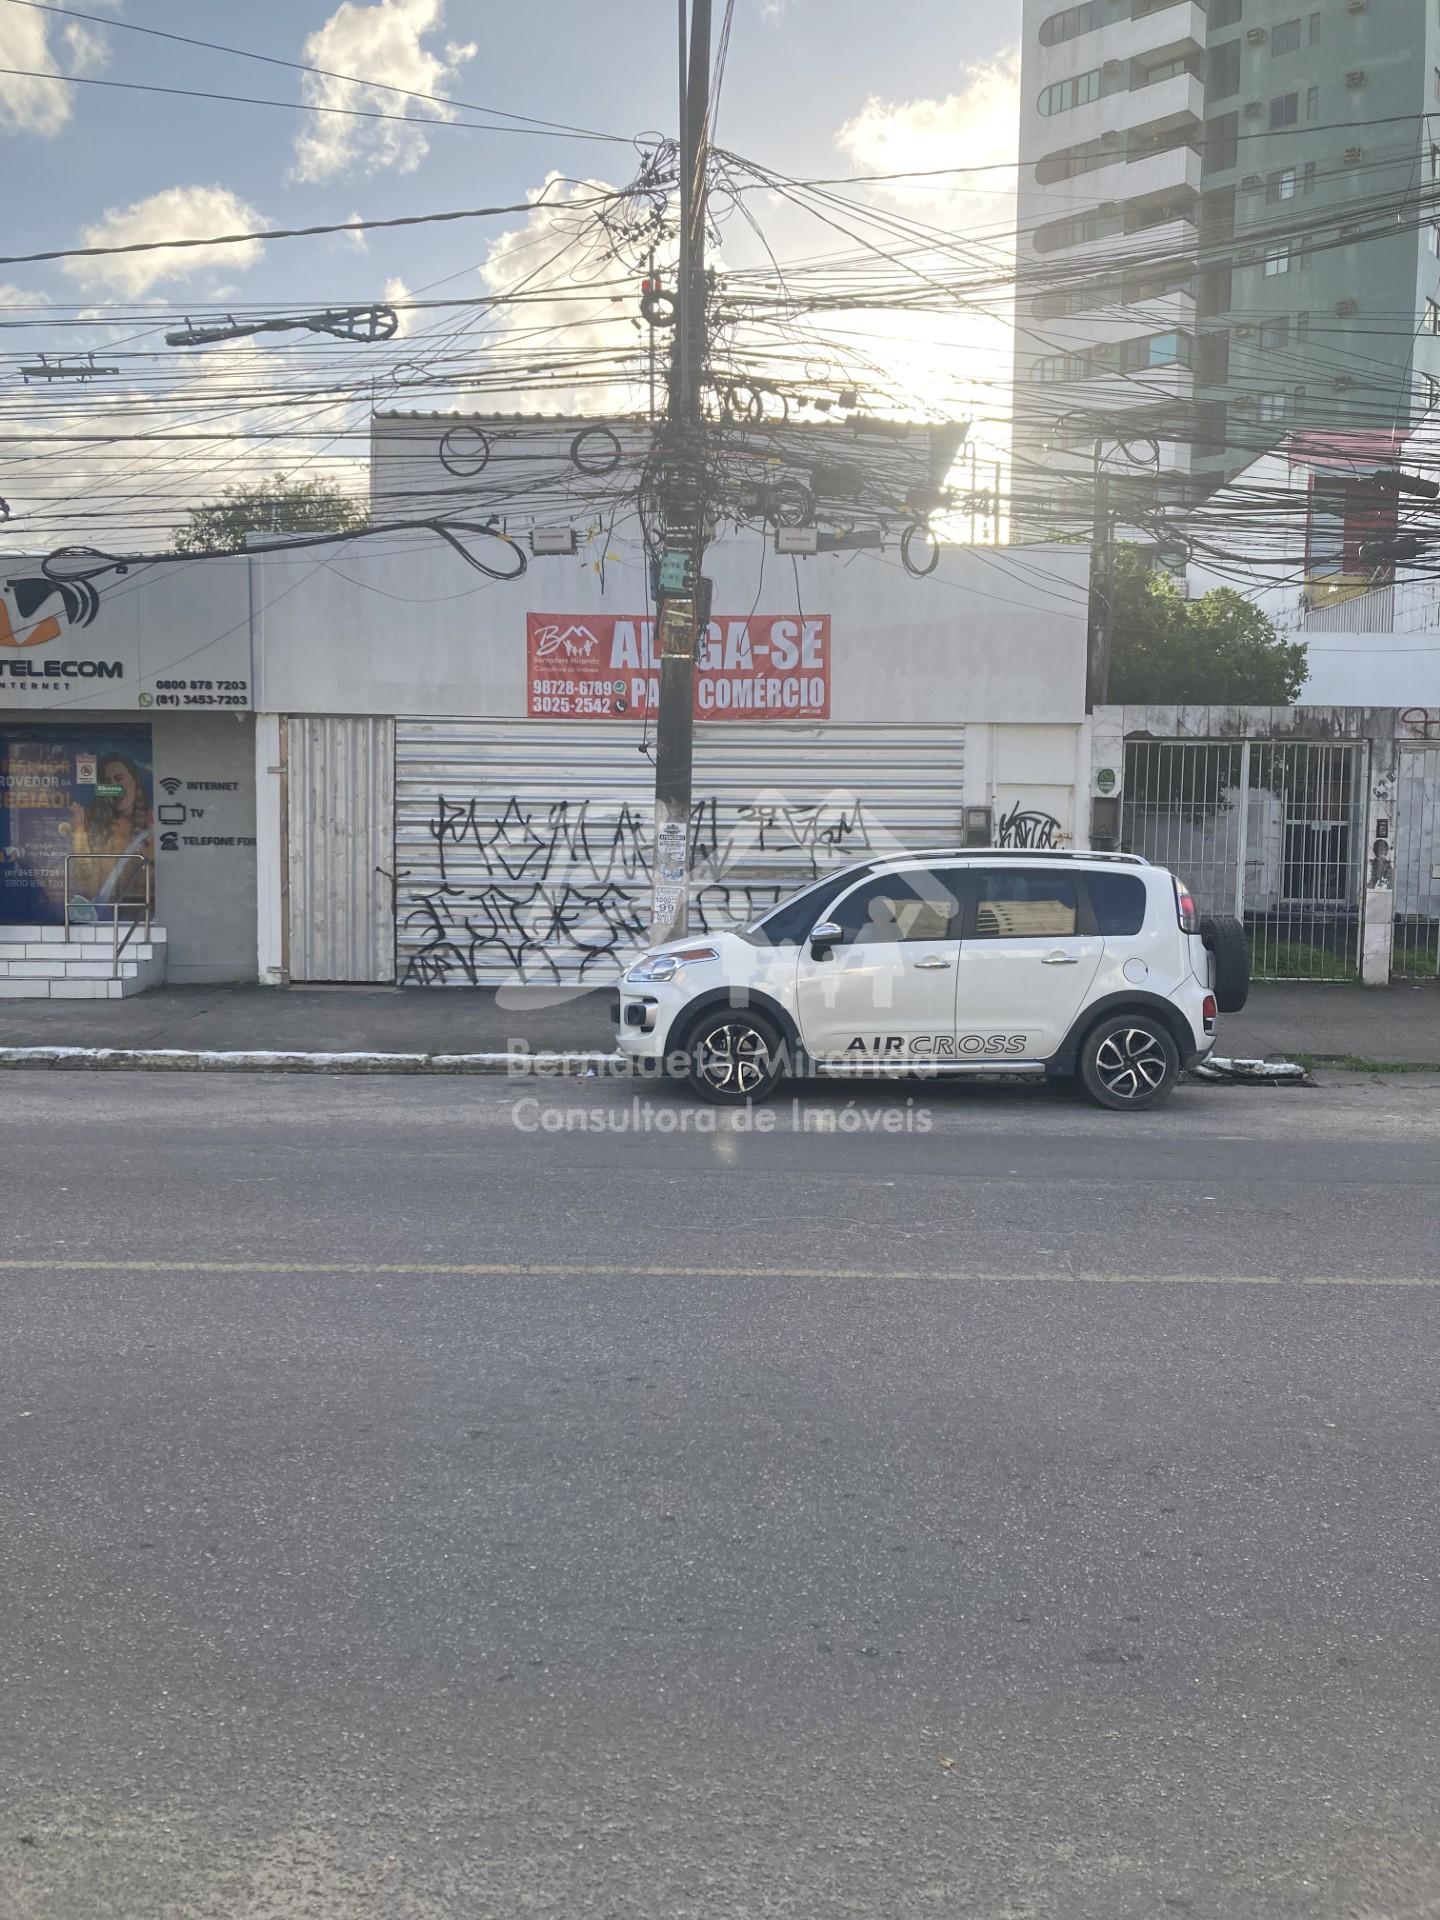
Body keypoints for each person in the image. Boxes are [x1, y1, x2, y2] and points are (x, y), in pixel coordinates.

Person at [67, 751, 153, 918]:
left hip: (142, 915)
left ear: (134, 781)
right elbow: (84, 878)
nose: (115, 787)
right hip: (105, 915)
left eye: (119, 779)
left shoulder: (152, 825)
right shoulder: (100, 826)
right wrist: (79, 830)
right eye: (107, 782)